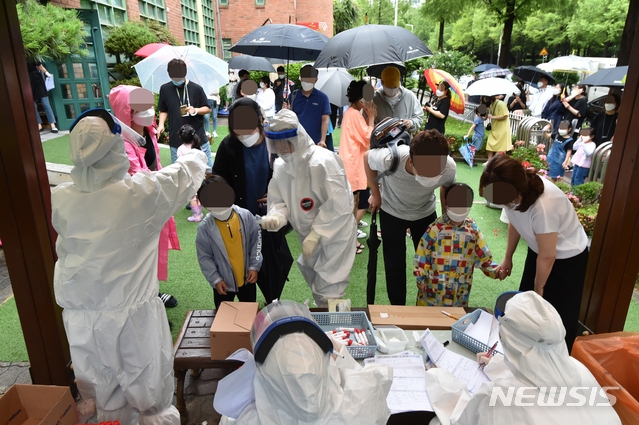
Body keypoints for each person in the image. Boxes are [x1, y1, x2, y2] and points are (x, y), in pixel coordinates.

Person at [52, 109, 208, 425]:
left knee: (105, 403)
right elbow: (186, 174)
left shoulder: (63, 197)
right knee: (152, 402)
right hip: (130, 322)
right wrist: (191, 151)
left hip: (81, 318)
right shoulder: (138, 194)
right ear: (115, 150)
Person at [424, 291, 622, 425]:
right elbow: (540, 375)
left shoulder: (498, 397)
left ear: (507, 340)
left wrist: (438, 377)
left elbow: (460, 418)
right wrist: (496, 365)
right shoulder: (579, 368)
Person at [216, 300, 394, 425]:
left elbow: (227, 411)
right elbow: (381, 376)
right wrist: (343, 359)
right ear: (324, 362)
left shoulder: (249, 420)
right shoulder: (361, 400)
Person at [480, 154, 589, 351]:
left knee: (556, 315)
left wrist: (539, 289)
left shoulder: (544, 206)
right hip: (539, 251)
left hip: (567, 258)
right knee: (526, 306)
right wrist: (508, 258)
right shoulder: (511, 195)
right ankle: (525, 350)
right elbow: (515, 221)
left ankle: (559, 361)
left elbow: (548, 255)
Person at [259, 110, 357, 307]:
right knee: (315, 282)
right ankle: (328, 320)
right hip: (307, 234)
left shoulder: (323, 161)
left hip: (335, 236)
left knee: (330, 289)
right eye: (276, 142)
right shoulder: (281, 166)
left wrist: (317, 234)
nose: (281, 147)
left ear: (298, 138)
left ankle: (337, 331)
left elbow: (340, 205)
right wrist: (277, 215)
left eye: (285, 141)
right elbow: (280, 199)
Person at [212, 98, 293, 304]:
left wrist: (277, 192)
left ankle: (271, 308)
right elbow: (218, 179)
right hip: (238, 226)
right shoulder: (228, 146)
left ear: (259, 120)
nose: (242, 132)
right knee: (240, 281)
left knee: (272, 275)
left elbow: (294, 176)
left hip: (268, 222)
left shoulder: (274, 144)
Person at [364, 128, 456, 305]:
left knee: (432, 262)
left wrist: (446, 218)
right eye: (424, 171)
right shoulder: (392, 158)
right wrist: (375, 193)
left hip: (425, 213)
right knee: (394, 266)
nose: (430, 176)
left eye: (435, 172)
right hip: (392, 211)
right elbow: (366, 158)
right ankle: (398, 307)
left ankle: (430, 303)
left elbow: (446, 187)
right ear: (411, 160)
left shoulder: (449, 167)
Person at [109, 85, 180, 306]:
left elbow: (154, 165)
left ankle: (153, 291)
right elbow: (137, 176)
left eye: (149, 105)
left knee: (153, 248)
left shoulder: (148, 132)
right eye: (141, 107)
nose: (149, 111)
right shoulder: (120, 141)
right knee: (137, 254)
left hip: (153, 202)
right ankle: (144, 299)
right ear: (125, 110)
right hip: (133, 207)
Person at [414, 183, 501, 307]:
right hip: (432, 292)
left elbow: (484, 257)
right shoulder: (435, 229)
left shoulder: (473, 231)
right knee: (428, 320)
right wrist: (421, 278)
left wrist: (496, 271)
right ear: (446, 202)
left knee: (455, 321)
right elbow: (422, 254)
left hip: (458, 292)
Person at [195, 175, 263, 310]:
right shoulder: (205, 228)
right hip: (223, 283)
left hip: (247, 279)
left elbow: (256, 242)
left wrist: (254, 266)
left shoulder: (245, 216)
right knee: (224, 315)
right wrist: (215, 279)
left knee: (249, 311)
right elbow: (205, 257)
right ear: (203, 204)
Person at [339, 80, 377, 253]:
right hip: (353, 163)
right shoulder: (354, 114)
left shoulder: (351, 112)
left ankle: (350, 240)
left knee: (354, 204)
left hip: (351, 161)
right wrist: (372, 118)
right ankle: (348, 240)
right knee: (356, 205)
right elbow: (369, 138)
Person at [157, 58, 212, 167]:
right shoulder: (165, 89)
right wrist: (161, 124)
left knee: (207, 169)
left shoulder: (196, 88)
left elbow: (207, 108)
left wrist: (195, 110)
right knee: (179, 172)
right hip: (176, 138)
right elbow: (163, 109)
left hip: (197, 137)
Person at [283, 64, 332, 150]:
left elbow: (325, 119)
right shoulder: (293, 96)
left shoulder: (322, 98)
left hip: (316, 143)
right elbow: (288, 118)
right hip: (296, 142)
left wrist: (322, 140)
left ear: (316, 80)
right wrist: (285, 111)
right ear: (301, 79)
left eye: (310, 80)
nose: (306, 82)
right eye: (304, 79)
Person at [372, 66, 423, 133]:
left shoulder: (409, 96)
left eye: (395, 87)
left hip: (403, 141)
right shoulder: (375, 99)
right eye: (389, 87)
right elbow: (367, 124)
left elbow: (419, 117)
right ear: (382, 82)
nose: (392, 89)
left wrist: (410, 123)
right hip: (382, 142)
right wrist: (381, 129)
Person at [177, 125, 204, 222]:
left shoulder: (181, 149)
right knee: (198, 194)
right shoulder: (197, 145)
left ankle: (196, 216)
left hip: (189, 176)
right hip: (198, 175)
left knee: (192, 196)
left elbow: (180, 164)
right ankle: (199, 212)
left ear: (181, 137)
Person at [28, 61, 58, 132]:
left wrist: (47, 73)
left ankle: (53, 125)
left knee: (46, 104)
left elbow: (40, 66)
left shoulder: (32, 55)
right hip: (27, 81)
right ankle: (39, 125)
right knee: (33, 106)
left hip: (37, 81)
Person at [485, 95, 511, 161]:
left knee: (500, 147)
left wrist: (492, 117)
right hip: (495, 127)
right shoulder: (491, 105)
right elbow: (487, 116)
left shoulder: (501, 104)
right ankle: (489, 161)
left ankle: (494, 162)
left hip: (502, 128)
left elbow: (505, 116)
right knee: (490, 143)